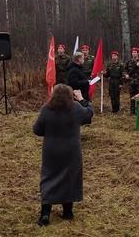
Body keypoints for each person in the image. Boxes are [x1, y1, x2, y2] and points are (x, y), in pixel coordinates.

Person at [33, 84, 93, 226]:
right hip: (72, 151)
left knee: (48, 177)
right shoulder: (76, 108)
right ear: (70, 95)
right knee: (70, 178)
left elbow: (37, 130)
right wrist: (82, 99)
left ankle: (45, 213)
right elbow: (89, 114)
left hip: (51, 151)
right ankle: (67, 212)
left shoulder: (46, 109)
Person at [124, 47, 139, 114]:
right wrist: (126, 75)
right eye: (133, 52)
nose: (133, 53)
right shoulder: (129, 62)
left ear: (137, 53)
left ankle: (138, 111)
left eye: (135, 52)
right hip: (131, 82)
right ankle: (132, 111)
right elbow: (125, 70)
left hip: (138, 82)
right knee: (132, 97)